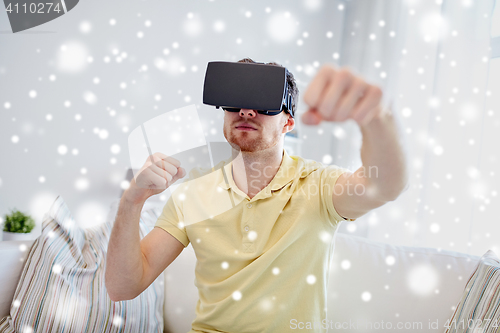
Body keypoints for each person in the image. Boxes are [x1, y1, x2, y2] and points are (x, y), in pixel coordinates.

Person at [105, 57, 409, 332]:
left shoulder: (318, 185)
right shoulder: (192, 194)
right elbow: (122, 288)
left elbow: (385, 186)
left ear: (288, 122)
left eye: (264, 104)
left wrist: (377, 118)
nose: (247, 111)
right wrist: (131, 201)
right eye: (235, 102)